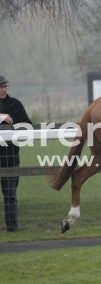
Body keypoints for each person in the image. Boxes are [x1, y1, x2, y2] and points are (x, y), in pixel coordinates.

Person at [0, 75, 32, 232]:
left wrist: (15, 126)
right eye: (0, 86)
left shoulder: (15, 105)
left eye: (5, 86)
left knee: (10, 196)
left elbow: (28, 126)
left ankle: (12, 229)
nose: (3, 89)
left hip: (10, 158)